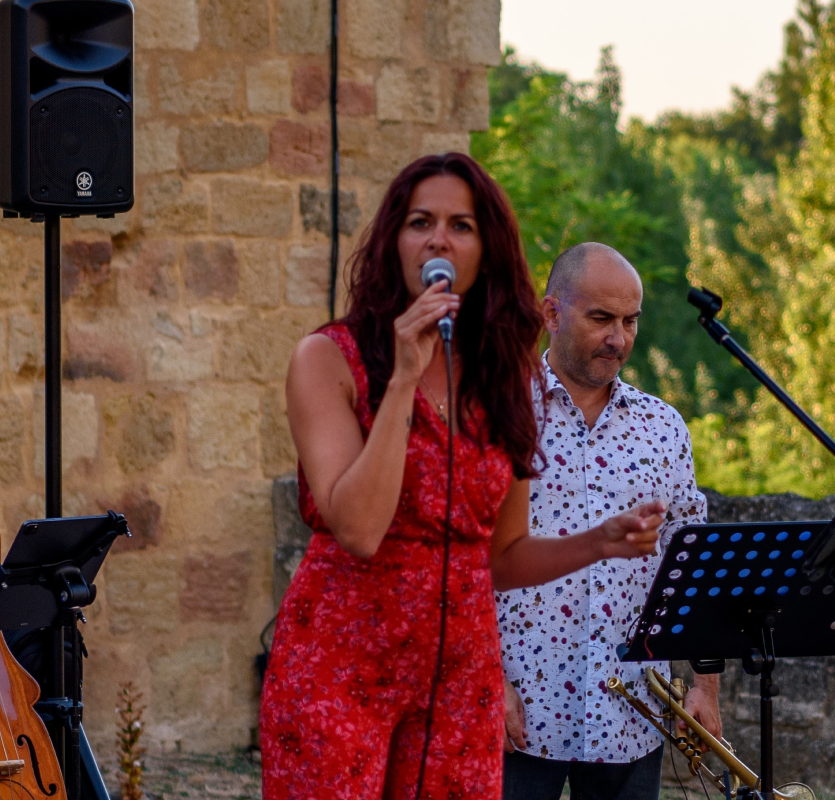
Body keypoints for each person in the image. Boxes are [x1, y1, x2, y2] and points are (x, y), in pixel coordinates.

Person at [261, 153, 666, 800]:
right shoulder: (327, 359)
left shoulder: (506, 378)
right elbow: (359, 529)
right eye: (421, 221)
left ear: (486, 251)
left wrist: (600, 542)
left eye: (461, 225)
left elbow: (499, 557)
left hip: (461, 680)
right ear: (395, 239)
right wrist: (400, 381)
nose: (439, 239)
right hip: (342, 668)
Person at [498, 244, 718, 800]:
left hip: (630, 715)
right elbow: (464, 559)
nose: (618, 338)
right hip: (517, 709)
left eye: (630, 321)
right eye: (601, 319)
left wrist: (705, 685)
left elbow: (688, 561)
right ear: (551, 314)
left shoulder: (663, 427)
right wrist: (485, 680)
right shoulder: (502, 412)